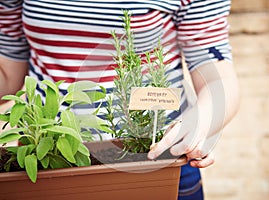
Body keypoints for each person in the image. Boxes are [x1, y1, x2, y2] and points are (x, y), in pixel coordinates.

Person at [0, 0, 240, 199]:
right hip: (49, 157)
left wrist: (203, 120)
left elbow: (214, 65)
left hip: (155, 159)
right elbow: (8, 70)